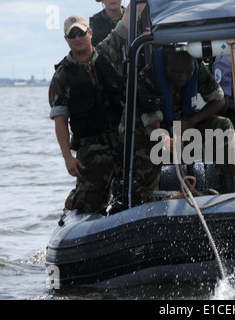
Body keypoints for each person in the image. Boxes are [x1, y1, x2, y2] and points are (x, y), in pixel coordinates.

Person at [48, 7, 136, 214]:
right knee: (90, 205)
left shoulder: (107, 54)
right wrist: (68, 158)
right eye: (72, 35)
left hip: (123, 143)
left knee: (138, 193)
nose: (77, 38)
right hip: (92, 150)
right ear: (66, 39)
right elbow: (60, 120)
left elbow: (125, 25)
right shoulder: (62, 76)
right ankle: (76, 198)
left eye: (81, 33)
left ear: (90, 33)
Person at [124, 45, 235, 204]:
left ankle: (228, 186)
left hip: (186, 123)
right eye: (177, 73)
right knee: (144, 144)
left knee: (224, 126)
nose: (183, 77)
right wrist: (166, 139)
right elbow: (151, 124)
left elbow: (219, 100)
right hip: (154, 128)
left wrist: (190, 122)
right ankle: (147, 196)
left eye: (188, 72)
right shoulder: (147, 77)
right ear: (166, 66)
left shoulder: (197, 69)